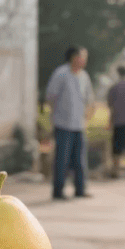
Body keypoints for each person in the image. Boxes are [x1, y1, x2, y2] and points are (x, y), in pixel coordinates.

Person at [44, 45, 95, 200]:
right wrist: (52, 118)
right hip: (63, 124)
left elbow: (89, 99)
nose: (84, 61)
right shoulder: (61, 73)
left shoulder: (84, 76)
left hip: (79, 125)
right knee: (62, 159)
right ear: (73, 57)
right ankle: (58, 191)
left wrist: (87, 117)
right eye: (81, 57)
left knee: (80, 160)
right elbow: (50, 96)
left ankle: (80, 189)